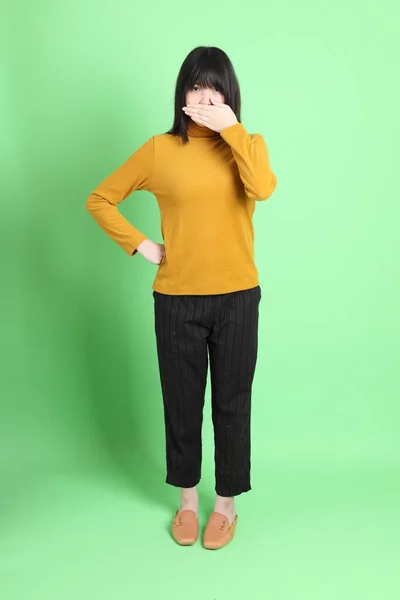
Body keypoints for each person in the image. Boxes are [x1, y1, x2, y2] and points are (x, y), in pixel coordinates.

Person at [86, 45, 277, 550]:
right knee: (182, 404)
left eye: (216, 88)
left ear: (229, 96)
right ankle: (188, 502)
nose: (206, 97)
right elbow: (100, 198)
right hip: (177, 301)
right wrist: (143, 245)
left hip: (237, 297)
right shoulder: (159, 150)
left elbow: (264, 188)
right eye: (196, 86)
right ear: (182, 94)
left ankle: (227, 506)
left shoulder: (247, 144)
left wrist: (233, 129)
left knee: (233, 406)